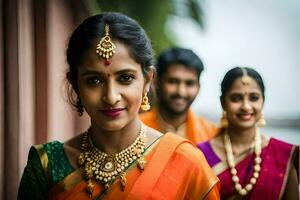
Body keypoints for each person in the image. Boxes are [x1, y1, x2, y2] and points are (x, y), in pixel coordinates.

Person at [17, 12, 220, 199]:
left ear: (148, 80)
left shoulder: (187, 162)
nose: (111, 97)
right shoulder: (48, 164)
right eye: (94, 80)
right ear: (75, 84)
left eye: (125, 78)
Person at [197, 67, 299, 199]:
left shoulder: (282, 155)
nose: (246, 106)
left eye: (254, 98)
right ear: (223, 103)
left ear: (263, 100)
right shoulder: (200, 154)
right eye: (236, 98)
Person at [140, 47, 218, 144]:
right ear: (156, 82)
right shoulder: (136, 128)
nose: (181, 92)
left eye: (189, 83)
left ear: (198, 87)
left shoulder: (212, 135)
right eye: (173, 81)